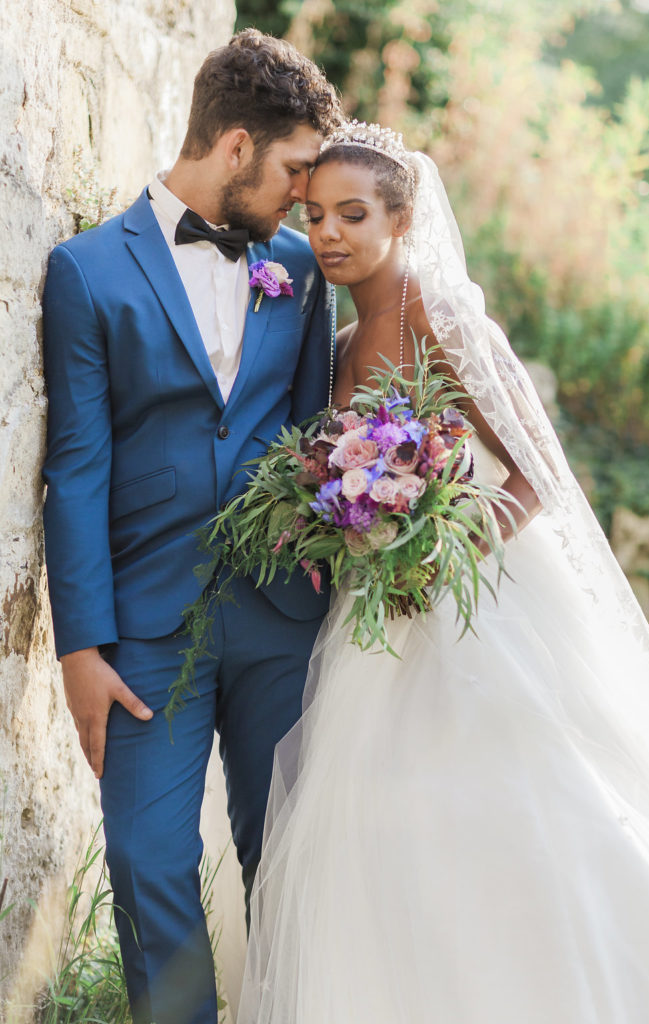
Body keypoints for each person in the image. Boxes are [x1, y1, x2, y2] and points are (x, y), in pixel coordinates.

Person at [236, 122, 649, 1023]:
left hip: (481, 604)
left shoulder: (440, 314)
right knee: (379, 821)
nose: (328, 233)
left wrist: (440, 551)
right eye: (315, 214)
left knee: (506, 804)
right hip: (377, 618)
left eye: (352, 214)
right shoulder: (338, 339)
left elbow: (535, 475)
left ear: (400, 219)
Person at [41, 30, 342, 1024]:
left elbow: (305, 436)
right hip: (146, 628)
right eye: (296, 167)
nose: (304, 195)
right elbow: (77, 465)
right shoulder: (86, 272)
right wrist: (80, 644)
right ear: (235, 146)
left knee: (288, 860)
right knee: (144, 854)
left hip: (275, 619)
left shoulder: (302, 271)